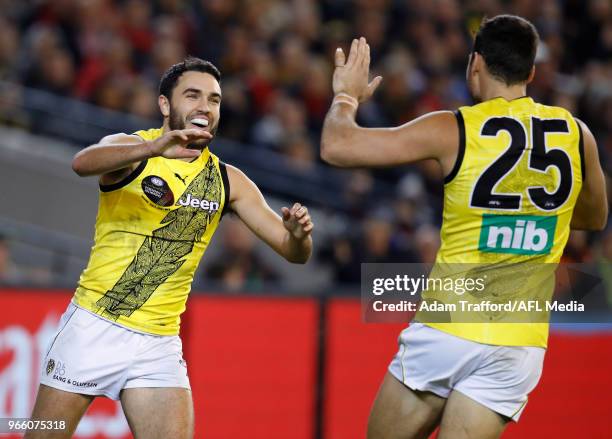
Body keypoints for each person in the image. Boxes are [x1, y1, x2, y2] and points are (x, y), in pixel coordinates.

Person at [321, 16, 607, 439]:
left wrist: (346, 96)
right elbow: (594, 217)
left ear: (475, 63)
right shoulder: (576, 134)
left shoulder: (453, 128)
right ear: (531, 72)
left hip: (449, 325)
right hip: (519, 339)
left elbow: (337, 146)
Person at [26, 57, 314, 439]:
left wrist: (298, 235)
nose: (204, 107)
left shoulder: (229, 181)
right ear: (165, 105)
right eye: (192, 96)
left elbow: (293, 253)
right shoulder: (133, 147)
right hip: (93, 326)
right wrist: (156, 147)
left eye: (213, 100)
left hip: (158, 344)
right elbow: (82, 163)